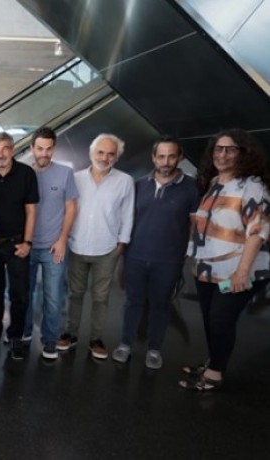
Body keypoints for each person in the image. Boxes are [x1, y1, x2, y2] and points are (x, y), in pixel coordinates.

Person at [179, 129, 270, 391]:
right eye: (218, 149)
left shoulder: (252, 186)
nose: (223, 154)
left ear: (244, 153)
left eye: (230, 149)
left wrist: (242, 272)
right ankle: (214, 361)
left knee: (221, 319)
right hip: (208, 268)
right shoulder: (214, 182)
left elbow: (258, 231)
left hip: (238, 270)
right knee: (210, 318)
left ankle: (215, 373)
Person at [111, 137, 199, 369]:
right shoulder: (138, 185)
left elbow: (194, 225)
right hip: (135, 256)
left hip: (169, 259)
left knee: (161, 305)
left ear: (179, 157)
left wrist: (188, 251)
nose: (166, 161)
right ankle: (125, 345)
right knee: (133, 302)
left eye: (171, 156)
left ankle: (154, 350)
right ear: (153, 158)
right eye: (161, 156)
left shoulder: (191, 188)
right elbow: (126, 219)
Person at [58, 134, 134, 360]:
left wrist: (122, 243)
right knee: (75, 294)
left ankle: (96, 339)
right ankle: (70, 334)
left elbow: (128, 214)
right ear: (91, 153)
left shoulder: (125, 181)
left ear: (117, 157)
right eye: (100, 152)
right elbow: (66, 210)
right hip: (77, 245)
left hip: (107, 249)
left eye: (111, 154)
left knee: (101, 297)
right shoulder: (76, 178)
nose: (104, 157)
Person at [0, 132, 38, 360]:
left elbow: (31, 210)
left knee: (19, 294)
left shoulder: (26, 173)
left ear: (12, 150)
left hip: (17, 244)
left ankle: (15, 336)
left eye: (4, 149)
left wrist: (27, 242)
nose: (0, 154)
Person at [21, 127, 78, 361]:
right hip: (26, 245)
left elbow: (71, 207)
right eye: (40, 148)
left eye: (48, 149)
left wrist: (63, 239)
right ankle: (24, 332)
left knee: (53, 296)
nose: (44, 153)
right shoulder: (23, 173)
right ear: (32, 148)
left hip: (54, 246)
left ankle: (50, 339)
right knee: (24, 293)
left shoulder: (65, 173)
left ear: (54, 148)